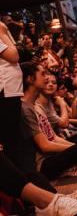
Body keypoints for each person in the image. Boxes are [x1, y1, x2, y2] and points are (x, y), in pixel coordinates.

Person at [20, 62, 77, 180]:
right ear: (30, 79)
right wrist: (74, 148)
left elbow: (52, 136)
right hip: (43, 164)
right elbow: (45, 146)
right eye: (43, 74)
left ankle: (73, 163)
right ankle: (65, 170)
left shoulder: (34, 105)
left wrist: (74, 146)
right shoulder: (25, 108)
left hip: (53, 154)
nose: (47, 78)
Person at [0, 20, 23, 163]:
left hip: (10, 90)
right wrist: (2, 33)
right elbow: (14, 56)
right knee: (10, 140)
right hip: (5, 90)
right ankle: (18, 180)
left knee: (13, 138)